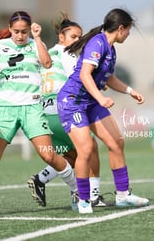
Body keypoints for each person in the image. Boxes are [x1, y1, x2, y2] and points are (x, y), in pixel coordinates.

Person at [0, 11, 77, 218]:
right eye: (16, 31)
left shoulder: (35, 44)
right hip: (5, 110)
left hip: (33, 109)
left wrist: (37, 38)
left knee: (48, 154)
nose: (20, 35)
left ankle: (76, 191)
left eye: (24, 32)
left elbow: (47, 64)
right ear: (10, 29)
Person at [57, 8, 150, 214]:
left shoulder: (111, 48)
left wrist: (129, 90)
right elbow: (84, 74)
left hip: (90, 102)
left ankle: (123, 196)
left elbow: (108, 78)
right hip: (72, 102)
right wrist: (101, 98)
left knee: (116, 142)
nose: (128, 35)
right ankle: (83, 200)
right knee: (87, 150)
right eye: (128, 31)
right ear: (120, 28)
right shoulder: (97, 43)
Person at [27, 14, 106, 208]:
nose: (77, 40)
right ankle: (92, 195)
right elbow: (80, 78)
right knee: (90, 149)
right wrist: (98, 86)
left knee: (71, 156)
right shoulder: (68, 54)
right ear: (61, 37)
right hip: (64, 110)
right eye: (74, 37)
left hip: (45, 114)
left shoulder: (44, 53)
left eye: (80, 37)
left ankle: (42, 180)